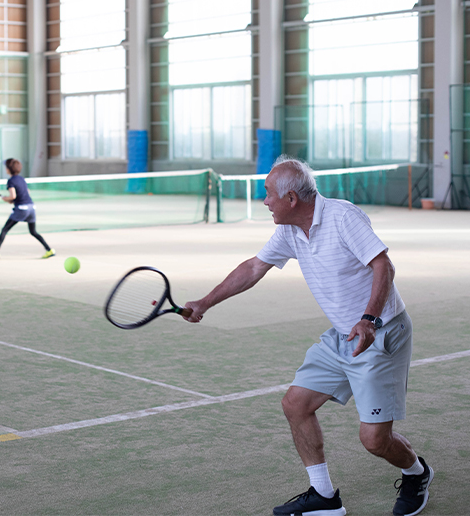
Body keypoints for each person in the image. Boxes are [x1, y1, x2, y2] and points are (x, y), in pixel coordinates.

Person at [183, 156, 433, 516]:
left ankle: (417, 472)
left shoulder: (343, 217)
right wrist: (205, 302)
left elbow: (384, 265)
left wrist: (368, 319)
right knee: (295, 404)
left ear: (291, 200)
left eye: (268, 194)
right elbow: (254, 267)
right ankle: (325, 497)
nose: (265, 201)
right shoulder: (289, 229)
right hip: (343, 336)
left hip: (379, 333)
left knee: (374, 441)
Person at [0, 158, 55, 261]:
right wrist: (13, 201)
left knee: (4, 230)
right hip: (31, 207)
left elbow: (13, 195)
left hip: (22, 209)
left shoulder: (11, 181)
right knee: (33, 231)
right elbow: (27, 193)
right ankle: (49, 250)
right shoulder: (22, 179)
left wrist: (6, 198)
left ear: (8, 169)